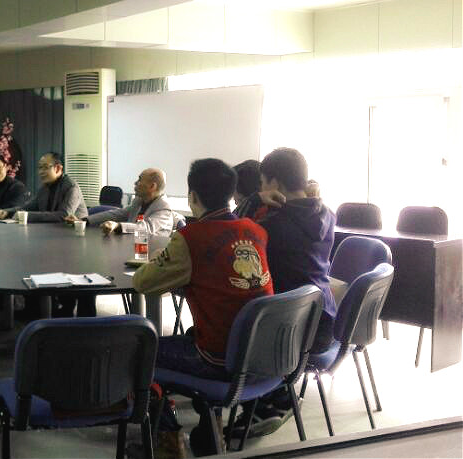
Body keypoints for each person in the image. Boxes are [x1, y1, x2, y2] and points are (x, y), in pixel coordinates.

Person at [132, 159, 273, 456]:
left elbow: (143, 282)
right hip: (261, 355)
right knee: (191, 335)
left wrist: (163, 261)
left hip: (218, 359)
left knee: (137, 353)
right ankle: (211, 433)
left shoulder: (191, 238)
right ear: (231, 194)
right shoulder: (256, 231)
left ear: (193, 196)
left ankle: (168, 442)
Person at [230, 148, 336, 439]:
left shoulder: (270, 227)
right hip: (322, 321)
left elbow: (229, 232)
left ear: (274, 183)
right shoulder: (328, 214)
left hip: (290, 331)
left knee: (229, 326)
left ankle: (264, 400)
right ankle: (276, 397)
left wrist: (254, 200)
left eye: (263, 183)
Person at [66, 168, 174, 235]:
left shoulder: (164, 208)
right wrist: (84, 220)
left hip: (150, 255)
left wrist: (117, 226)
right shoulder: (139, 201)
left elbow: (146, 228)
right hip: (131, 247)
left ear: (152, 186)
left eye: (140, 180)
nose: (135, 183)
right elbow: (118, 214)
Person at [0, 152, 87, 222]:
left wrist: (27, 216)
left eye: (45, 167)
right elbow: (29, 206)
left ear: (58, 168)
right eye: (40, 167)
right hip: (52, 232)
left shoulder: (71, 187)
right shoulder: (44, 187)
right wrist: (8, 211)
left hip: (74, 233)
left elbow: (64, 215)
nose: (41, 172)